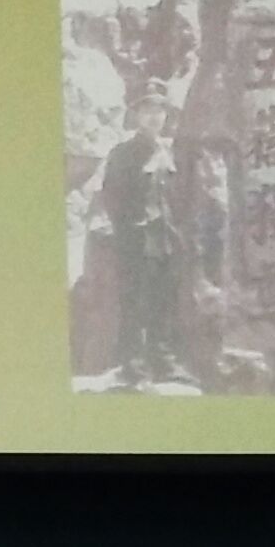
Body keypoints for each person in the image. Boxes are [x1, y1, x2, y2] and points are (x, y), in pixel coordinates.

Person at [96, 90, 189, 386]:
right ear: (136, 115)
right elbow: (112, 197)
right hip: (135, 240)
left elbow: (179, 196)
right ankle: (133, 366)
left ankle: (163, 361)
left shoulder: (170, 151)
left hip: (165, 240)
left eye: (159, 111)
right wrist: (128, 230)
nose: (154, 117)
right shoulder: (123, 153)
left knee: (164, 302)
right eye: (147, 110)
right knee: (134, 303)